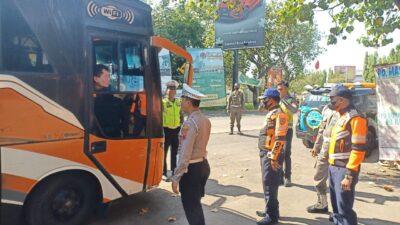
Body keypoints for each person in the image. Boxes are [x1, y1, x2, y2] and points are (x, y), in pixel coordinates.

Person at [171, 84, 211, 225]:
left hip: (191, 170)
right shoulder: (205, 120)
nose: (180, 103)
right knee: (196, 205)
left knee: (191, 207)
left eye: (182, 100)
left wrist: (176, 177)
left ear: (188, 102)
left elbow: (185, 153)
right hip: (203, 165)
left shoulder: (190, 123)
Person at [328, 86, 367, 225]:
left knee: (344, 209)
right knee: (336, 208)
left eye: (333, 99)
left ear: (342, 100)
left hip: (345, 170)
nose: (330, 102)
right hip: (333, 168)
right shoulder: (341, 116)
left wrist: (349, 174)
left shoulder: (356, 118)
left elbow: (358, 149)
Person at [256, 88, 289, 225]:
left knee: (270, 183)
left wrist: (274, 157)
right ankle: (270, 209)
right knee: (267, 183)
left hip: (271, 155)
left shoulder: (280, 115)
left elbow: (280, 138)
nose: (263, 102)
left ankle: (271, 216)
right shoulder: (272, 113)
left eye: (265, 99)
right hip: (266, 153)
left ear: (272, 100)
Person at [307, 103, 338, 213]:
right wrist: (316, 146)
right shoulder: (326, 108)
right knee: (319, 176)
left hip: (339, 149)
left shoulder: (345, 112)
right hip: (325, 148)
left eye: (334, 97)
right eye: (330, 97)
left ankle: (338, 211)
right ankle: (322, 204)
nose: (331, 99)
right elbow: (321, 129)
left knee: (337, 180)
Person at [93, 64, 128, 138]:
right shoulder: (87, 94)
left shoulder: (112, 92)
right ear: (96, 79)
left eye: (109, 76)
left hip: (113, 135)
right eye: (106, 76)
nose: (109, 79)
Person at [276, 81, 298, 187]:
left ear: (286, 89)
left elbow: (294, 110)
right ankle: (279, 176)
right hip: (277, 130)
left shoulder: (291, 99)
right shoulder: (276, 99)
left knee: (286, 152)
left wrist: (284, 101)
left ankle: (287, 177)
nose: (279, 91)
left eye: (281, 89)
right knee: (278, 152)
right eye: (278, 89)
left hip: (287, 130)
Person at [162, 80, 184, 179]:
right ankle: (163, 171)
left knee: (174, 152)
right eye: (170, 89)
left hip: (176, 130)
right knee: (164, 152)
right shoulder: (163, 102)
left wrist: (181, 126)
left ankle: (174, 170)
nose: (172, 91)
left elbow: (181, 115)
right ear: (166, 90)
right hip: (166, 130)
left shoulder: (179, 102)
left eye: (174, 89)